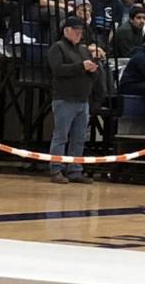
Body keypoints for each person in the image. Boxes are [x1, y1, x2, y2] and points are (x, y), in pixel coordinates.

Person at [47, 16, 97, 184]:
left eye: (80, 31)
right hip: (64, 98)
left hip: (82, 100)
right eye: (75, 31)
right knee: (61, 136)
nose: (78, 34)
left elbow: (89, 70)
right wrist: (81, 67)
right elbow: (57, 69)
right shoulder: (58, 48)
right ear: (66, 30)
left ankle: (75, 170)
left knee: (79, 137)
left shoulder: (83, 50)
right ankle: (56, 169)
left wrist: (93, 68)